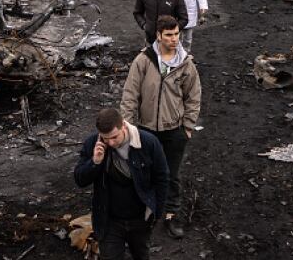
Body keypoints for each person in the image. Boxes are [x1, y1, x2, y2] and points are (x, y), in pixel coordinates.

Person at [120, 15, 202, 240]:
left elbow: (193, 97)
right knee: (144, 171)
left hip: (174, 130)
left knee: (171, 175)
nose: (174, 39)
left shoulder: (186, 63)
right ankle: (146, 212)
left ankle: (171, 215)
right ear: (158, 35)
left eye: (177, 34)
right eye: (169, 35)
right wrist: (128, 127)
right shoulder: (144, 61)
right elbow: (130, 94)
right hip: (146, 130)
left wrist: (187, 127)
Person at [74, 108, 169, 260]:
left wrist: (157, 212)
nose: (110, 143)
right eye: (105, 138)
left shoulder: (148, 142)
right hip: (109, 219)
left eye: (114, 137)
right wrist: (95, 162)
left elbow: (162, 178)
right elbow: (79, 180)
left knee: (141, 255)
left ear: (123, 126)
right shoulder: (93, 143)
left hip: (140, 218)